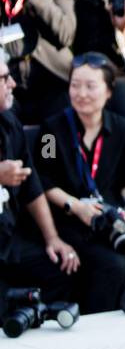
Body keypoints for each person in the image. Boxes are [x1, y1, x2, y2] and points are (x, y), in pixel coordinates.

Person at [37, 54, 125, 314]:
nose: (81, 93)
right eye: (75, 85)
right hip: (71, 218)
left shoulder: (122, 128)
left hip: (110, 216)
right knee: (113, 266)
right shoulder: (51, 129)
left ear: (108, 92)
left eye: (90, 86)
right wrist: (75, 207)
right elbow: (44, 182)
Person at [0, 55, 78, 301]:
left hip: (7, 239)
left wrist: (52, 238)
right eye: (4, 79)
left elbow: (31, 186)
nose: (12, 83)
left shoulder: (9, 121)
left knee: (62, 267)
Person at [0, 0, 77, 125]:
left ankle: (49, 155)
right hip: (8, 88)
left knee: (49, 148)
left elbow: (65, 35)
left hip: (52, 84)